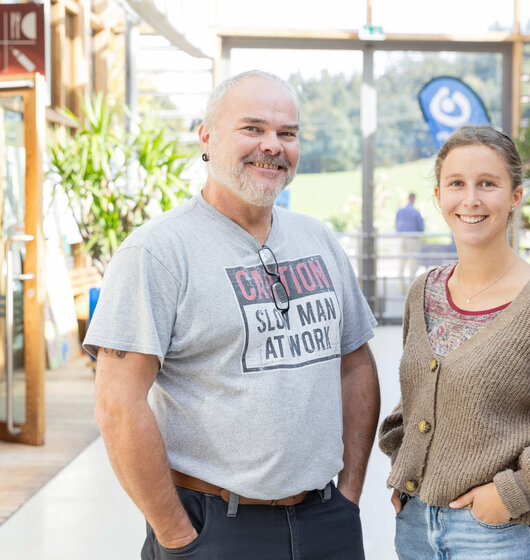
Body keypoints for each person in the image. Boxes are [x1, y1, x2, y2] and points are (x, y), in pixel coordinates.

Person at [85, 70, 380, 560]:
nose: (272, 145)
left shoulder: (319, 239)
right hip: (215, 528)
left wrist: (348, 494)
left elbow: (355, 364)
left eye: (287, 133)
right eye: (253, 128)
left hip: (326, 520)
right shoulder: (158, 251)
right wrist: (177, 536)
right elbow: (118, 403)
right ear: (207, 136)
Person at [378, 126, 530, 560]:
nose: (470, 199)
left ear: (515, 196)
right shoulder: (424, 292)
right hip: (415, 528)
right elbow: (418, 402)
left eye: (487, 184)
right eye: (457, 184)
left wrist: (512, 492)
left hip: (501, 535)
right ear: (438, 196)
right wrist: (406, 471)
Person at [395, 192, 425, 292]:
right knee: (413, 263)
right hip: (413, 238)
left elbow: (397, 225)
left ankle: (401, 288)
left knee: (402, 262)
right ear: (414, 199)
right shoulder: (416, 212)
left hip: (402, 238)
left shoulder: (400, 211)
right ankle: (410, 288)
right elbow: (421, 227)